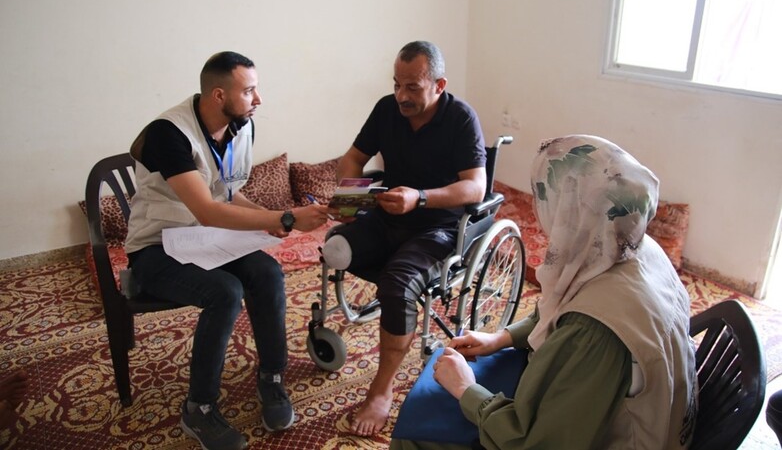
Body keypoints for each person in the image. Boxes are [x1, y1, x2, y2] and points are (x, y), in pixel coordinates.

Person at [390, 134, 699, 450]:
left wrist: (465, 389)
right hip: (636, 410)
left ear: (570, 208)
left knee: (413, 434)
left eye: (542, 195)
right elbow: (567, 307)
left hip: (615, 438)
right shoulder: (634, 247)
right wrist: (502, 338)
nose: (538, 207)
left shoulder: (592, 330)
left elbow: (537, 442)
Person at [124, 51, 332, 450]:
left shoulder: (240, 127)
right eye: (250, 90)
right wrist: (287, 218)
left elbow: (229, 193)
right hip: (156, 248)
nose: (259, 99)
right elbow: (207, 209)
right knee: (225, 292)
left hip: (203, 240)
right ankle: (198, 408)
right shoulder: (169, 134)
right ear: (219, 95)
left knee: (268, 274)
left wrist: (275, 219)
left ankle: (272, 378)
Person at [321, 40, 487, 436]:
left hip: (438, 225)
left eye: (413, 87)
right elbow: (353, 157)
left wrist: (422, 197)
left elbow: (475, 188)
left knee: (397, 285)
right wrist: (349, 200)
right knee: (336, 246)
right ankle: (385, 303)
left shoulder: (461, 119)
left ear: (439, 85)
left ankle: (382, 390)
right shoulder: (386, 109)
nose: (401, 96)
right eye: (397, 84)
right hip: (388, 214)